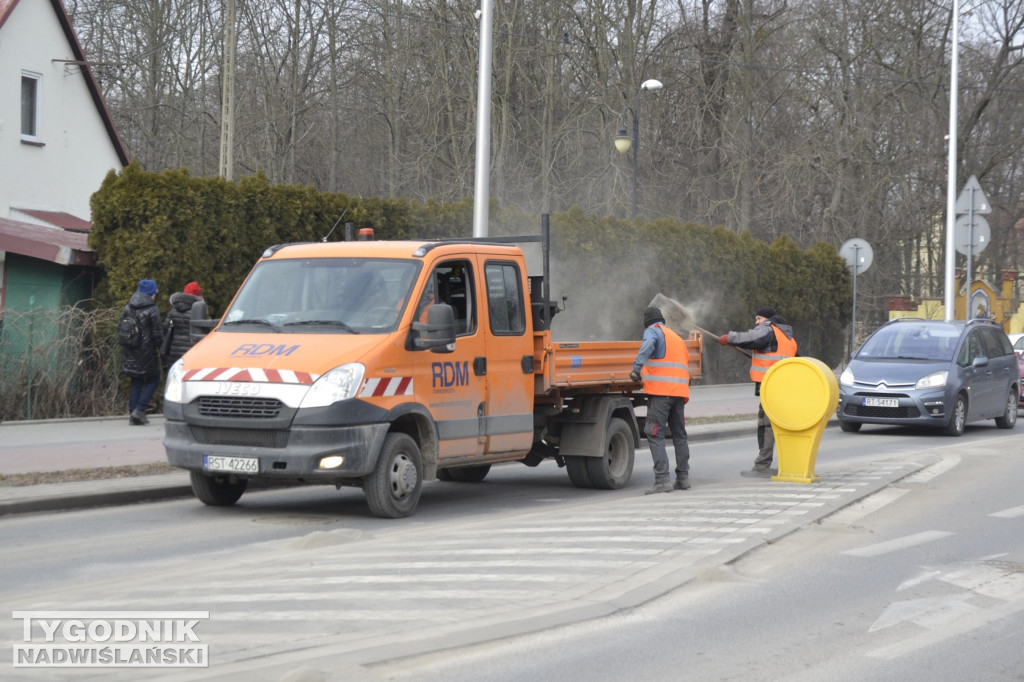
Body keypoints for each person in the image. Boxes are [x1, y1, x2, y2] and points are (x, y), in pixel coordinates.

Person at [717, 306, 798, 477]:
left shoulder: (768, 330)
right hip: (784, 385)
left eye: (758, 319)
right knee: (778, 425)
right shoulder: (787, 337)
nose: (756, 323)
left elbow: (750, 338)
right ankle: (786, 464)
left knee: (767, 424)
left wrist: (729, 338)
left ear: (768, 320)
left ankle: (762, 466)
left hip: (771, 386)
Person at [631, 306, 692, 495]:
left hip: (661, 394)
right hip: (679, 394)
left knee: (655, 435)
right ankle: (683, 478)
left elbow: (647, 346)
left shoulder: (653, 332)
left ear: (647, 322)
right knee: (679, 435)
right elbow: (686, 362)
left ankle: (662, 480)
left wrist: (636, 368)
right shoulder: (676, 337)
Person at [120, 279, 164, 425]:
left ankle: (133, 415)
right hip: (148, 351)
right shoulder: (153, 309)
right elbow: (157, 333)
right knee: (154, 379)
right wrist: (161, 348)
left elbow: (121, 328)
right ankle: (139, 409)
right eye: (155, 291)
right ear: (151, 292)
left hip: (131, 350)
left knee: (136, 381)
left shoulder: (128, 307)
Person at [164, 281, 204, 365]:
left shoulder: (173, 310)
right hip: (191, 351)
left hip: (174, 351)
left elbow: (166, 326)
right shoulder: (197, 311)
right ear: (196, 295)